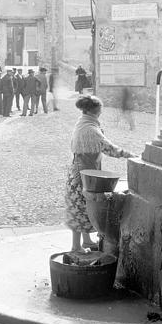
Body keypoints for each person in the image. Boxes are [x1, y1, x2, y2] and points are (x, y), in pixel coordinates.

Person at [65, 95, 135, 252]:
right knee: (80, 210)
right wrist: (131, 155)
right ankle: (75, 247)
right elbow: (109, 148)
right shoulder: (90, 129)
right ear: (96, 110)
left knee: (83, 207)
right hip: (83, 174)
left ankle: (87, 241)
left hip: (80, 170)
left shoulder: (83, 122)